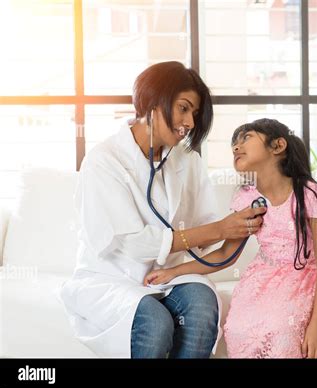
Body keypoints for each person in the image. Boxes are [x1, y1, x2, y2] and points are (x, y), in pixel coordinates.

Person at [59, 61, 266, 358]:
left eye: (194, 114)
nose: (191, 123)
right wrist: (218, 229)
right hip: (112, 277)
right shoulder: (104, 161)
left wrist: (238, 220)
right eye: (183, 108)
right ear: (153, 101)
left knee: (202, 304)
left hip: (171, 275)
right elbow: (133, 244)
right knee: (154, 322)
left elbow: (205, 231)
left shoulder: (187, 160)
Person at [146, 118, 317, 358]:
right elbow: (224, 255)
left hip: (305, 276)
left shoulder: (311, 197)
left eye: (246, 138)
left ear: (278, 146)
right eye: (233, 143)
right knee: (236, 329)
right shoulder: (247, 199)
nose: (236, 146)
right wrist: (173, 272)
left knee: (281, 328)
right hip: (263, 279)